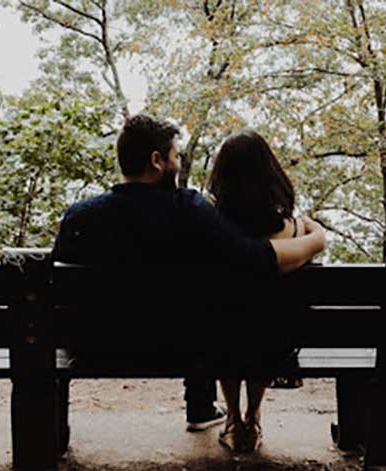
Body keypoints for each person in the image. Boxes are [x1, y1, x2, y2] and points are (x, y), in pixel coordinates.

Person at [51, 114, 326, 433]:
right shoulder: (189, 211)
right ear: (157, 161)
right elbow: (256, 259)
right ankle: (207, 408)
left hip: (92, 347)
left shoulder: (80, 217)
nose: (178, 162)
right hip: (177, 348)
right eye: (175, 155)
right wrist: (314, 240)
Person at [206, 130, 308, 452]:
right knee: (264, 324)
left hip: (220, 342)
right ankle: (253, 416)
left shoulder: (212, 227)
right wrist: (310, 231)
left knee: (225, 327)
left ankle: (233, 419)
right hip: (275, 345)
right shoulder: (291, 229)